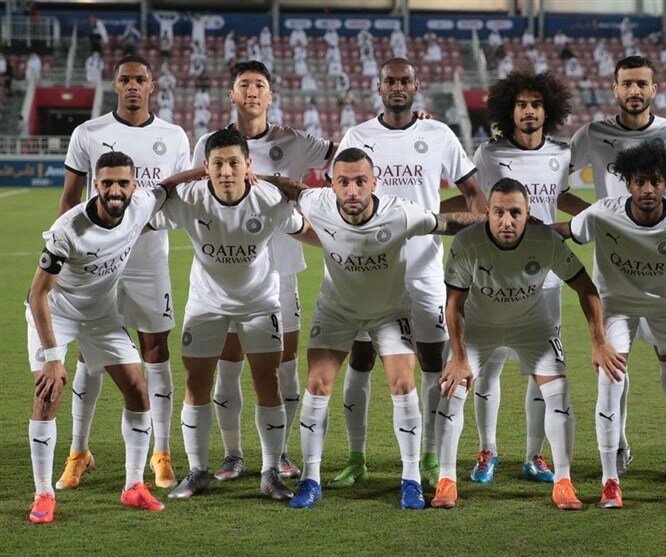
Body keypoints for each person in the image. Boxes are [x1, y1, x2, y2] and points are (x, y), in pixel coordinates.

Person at [263, 148, 485, 509]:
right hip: (336, 312)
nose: (352, 191)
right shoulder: (317, 202)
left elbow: (448, 222)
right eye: (344, 182)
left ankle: (411, 480)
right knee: (317, 385)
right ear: (331, 184)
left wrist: (495, 221)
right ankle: (310, 479)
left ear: (374, 183)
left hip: (389, 314)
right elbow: (291, 188)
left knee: (403, 383)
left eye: (360, 182)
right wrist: (253, 178)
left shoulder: (399, 213)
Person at [328, 58, 487, 490]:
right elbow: (339, 193)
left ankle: (430, 458)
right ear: (378, 87)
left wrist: (468, 231)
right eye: (390, 81)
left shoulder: (438, 134)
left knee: (433, 363)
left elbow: (473, 193)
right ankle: (356, 458)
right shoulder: (358, 137)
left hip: (424, 270)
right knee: (361, 361)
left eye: (405, 81)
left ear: (416, 86)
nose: (397, 87)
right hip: (368, 272)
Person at [434, 178, 623, 510]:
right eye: (499, 212)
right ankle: (446, 480)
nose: (507, 221)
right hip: (479, 324)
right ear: (487, 212)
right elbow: (454, 304)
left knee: (559, 394)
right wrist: (459, 357)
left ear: (528, 213)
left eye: (515, 213)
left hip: (532, 323)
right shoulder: (467, 242)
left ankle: (563, 482)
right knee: (452, 389)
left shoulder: (545, 241)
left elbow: (586, 288)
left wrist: (599, 341)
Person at [148, 129, 311, 501]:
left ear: (248, 165)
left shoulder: (270, 200)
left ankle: (270, 473)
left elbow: (305, 229)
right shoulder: (188, 199)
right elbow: (143, 216)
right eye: (217, 163)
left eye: (234, 162)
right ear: (205, 167)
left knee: (268, 380)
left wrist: (346, 246)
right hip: (207, 304)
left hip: (260, 303)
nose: (226, 171)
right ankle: (198, 471)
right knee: (197, 383)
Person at [554, 140, 666, 511]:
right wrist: (518, 229)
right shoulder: (602, 213)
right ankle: (610, 482)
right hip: (617, 306)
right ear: (627, 183)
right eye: (640, 181)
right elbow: (564, 230)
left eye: (655, 182)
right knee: (610, 379)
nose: (647, 189)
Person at [192, 60, 335, 482]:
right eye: (244, 85)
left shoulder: (294, 141)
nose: (251, 91)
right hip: (227, 275)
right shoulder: (211, 144)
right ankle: (232, 454)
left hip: (282, 270)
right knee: (229, 366)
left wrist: (409, 121)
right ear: (232, 94)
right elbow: (191, 191)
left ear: (270, 95)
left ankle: (282, 453)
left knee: (284, 367)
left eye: (259, 85)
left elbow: (348, 153)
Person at [57, 55, 191, 491]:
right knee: (89, 354)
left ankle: (161, 453)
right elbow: (70, 199)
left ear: (152, 86)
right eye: (126, 79)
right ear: (115, 85)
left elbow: (176, 198)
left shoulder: (173, 135)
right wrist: (68, 253)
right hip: (96, 264)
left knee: (156, 350)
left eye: (140, 79)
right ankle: (79, 452)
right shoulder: (88, 133)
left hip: (149, 261)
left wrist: (137, 224)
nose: (133, 85)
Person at [26, 151, 179, 523]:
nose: (115, 190)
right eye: (107, 182)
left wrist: (204, 171)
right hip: (57, 315)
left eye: (123, 183)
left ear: (133, 185)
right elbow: (37, 295)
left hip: (101, 317)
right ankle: (43, 494)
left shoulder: (140, 205)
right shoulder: (67, 230)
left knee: (138, 389)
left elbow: (168, 187)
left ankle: (133, 486)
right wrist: (52, 358)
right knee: (48, 394)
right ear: (95, 184)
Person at [569, 56, 666, 475]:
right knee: (616, 363)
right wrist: (598, 219)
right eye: (627, 83)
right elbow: (553, 182)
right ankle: (619, 446)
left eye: (642, 83)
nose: (634, 91)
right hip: (616, 272)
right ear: (615, 89)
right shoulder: (592, 135)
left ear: (654, 89)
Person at [467, 71, 590, 484]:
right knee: (489, 368)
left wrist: (601, 214)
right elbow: (478, 203)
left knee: (542, 369)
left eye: (536, 104)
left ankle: (534, 456)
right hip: (494, 276)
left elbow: (560, 197)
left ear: (548, 110)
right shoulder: (489, 153)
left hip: (546, 279)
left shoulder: (560, 153)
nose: (529, 111)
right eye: (521, 104)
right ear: (509, 110)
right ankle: (487, 450)